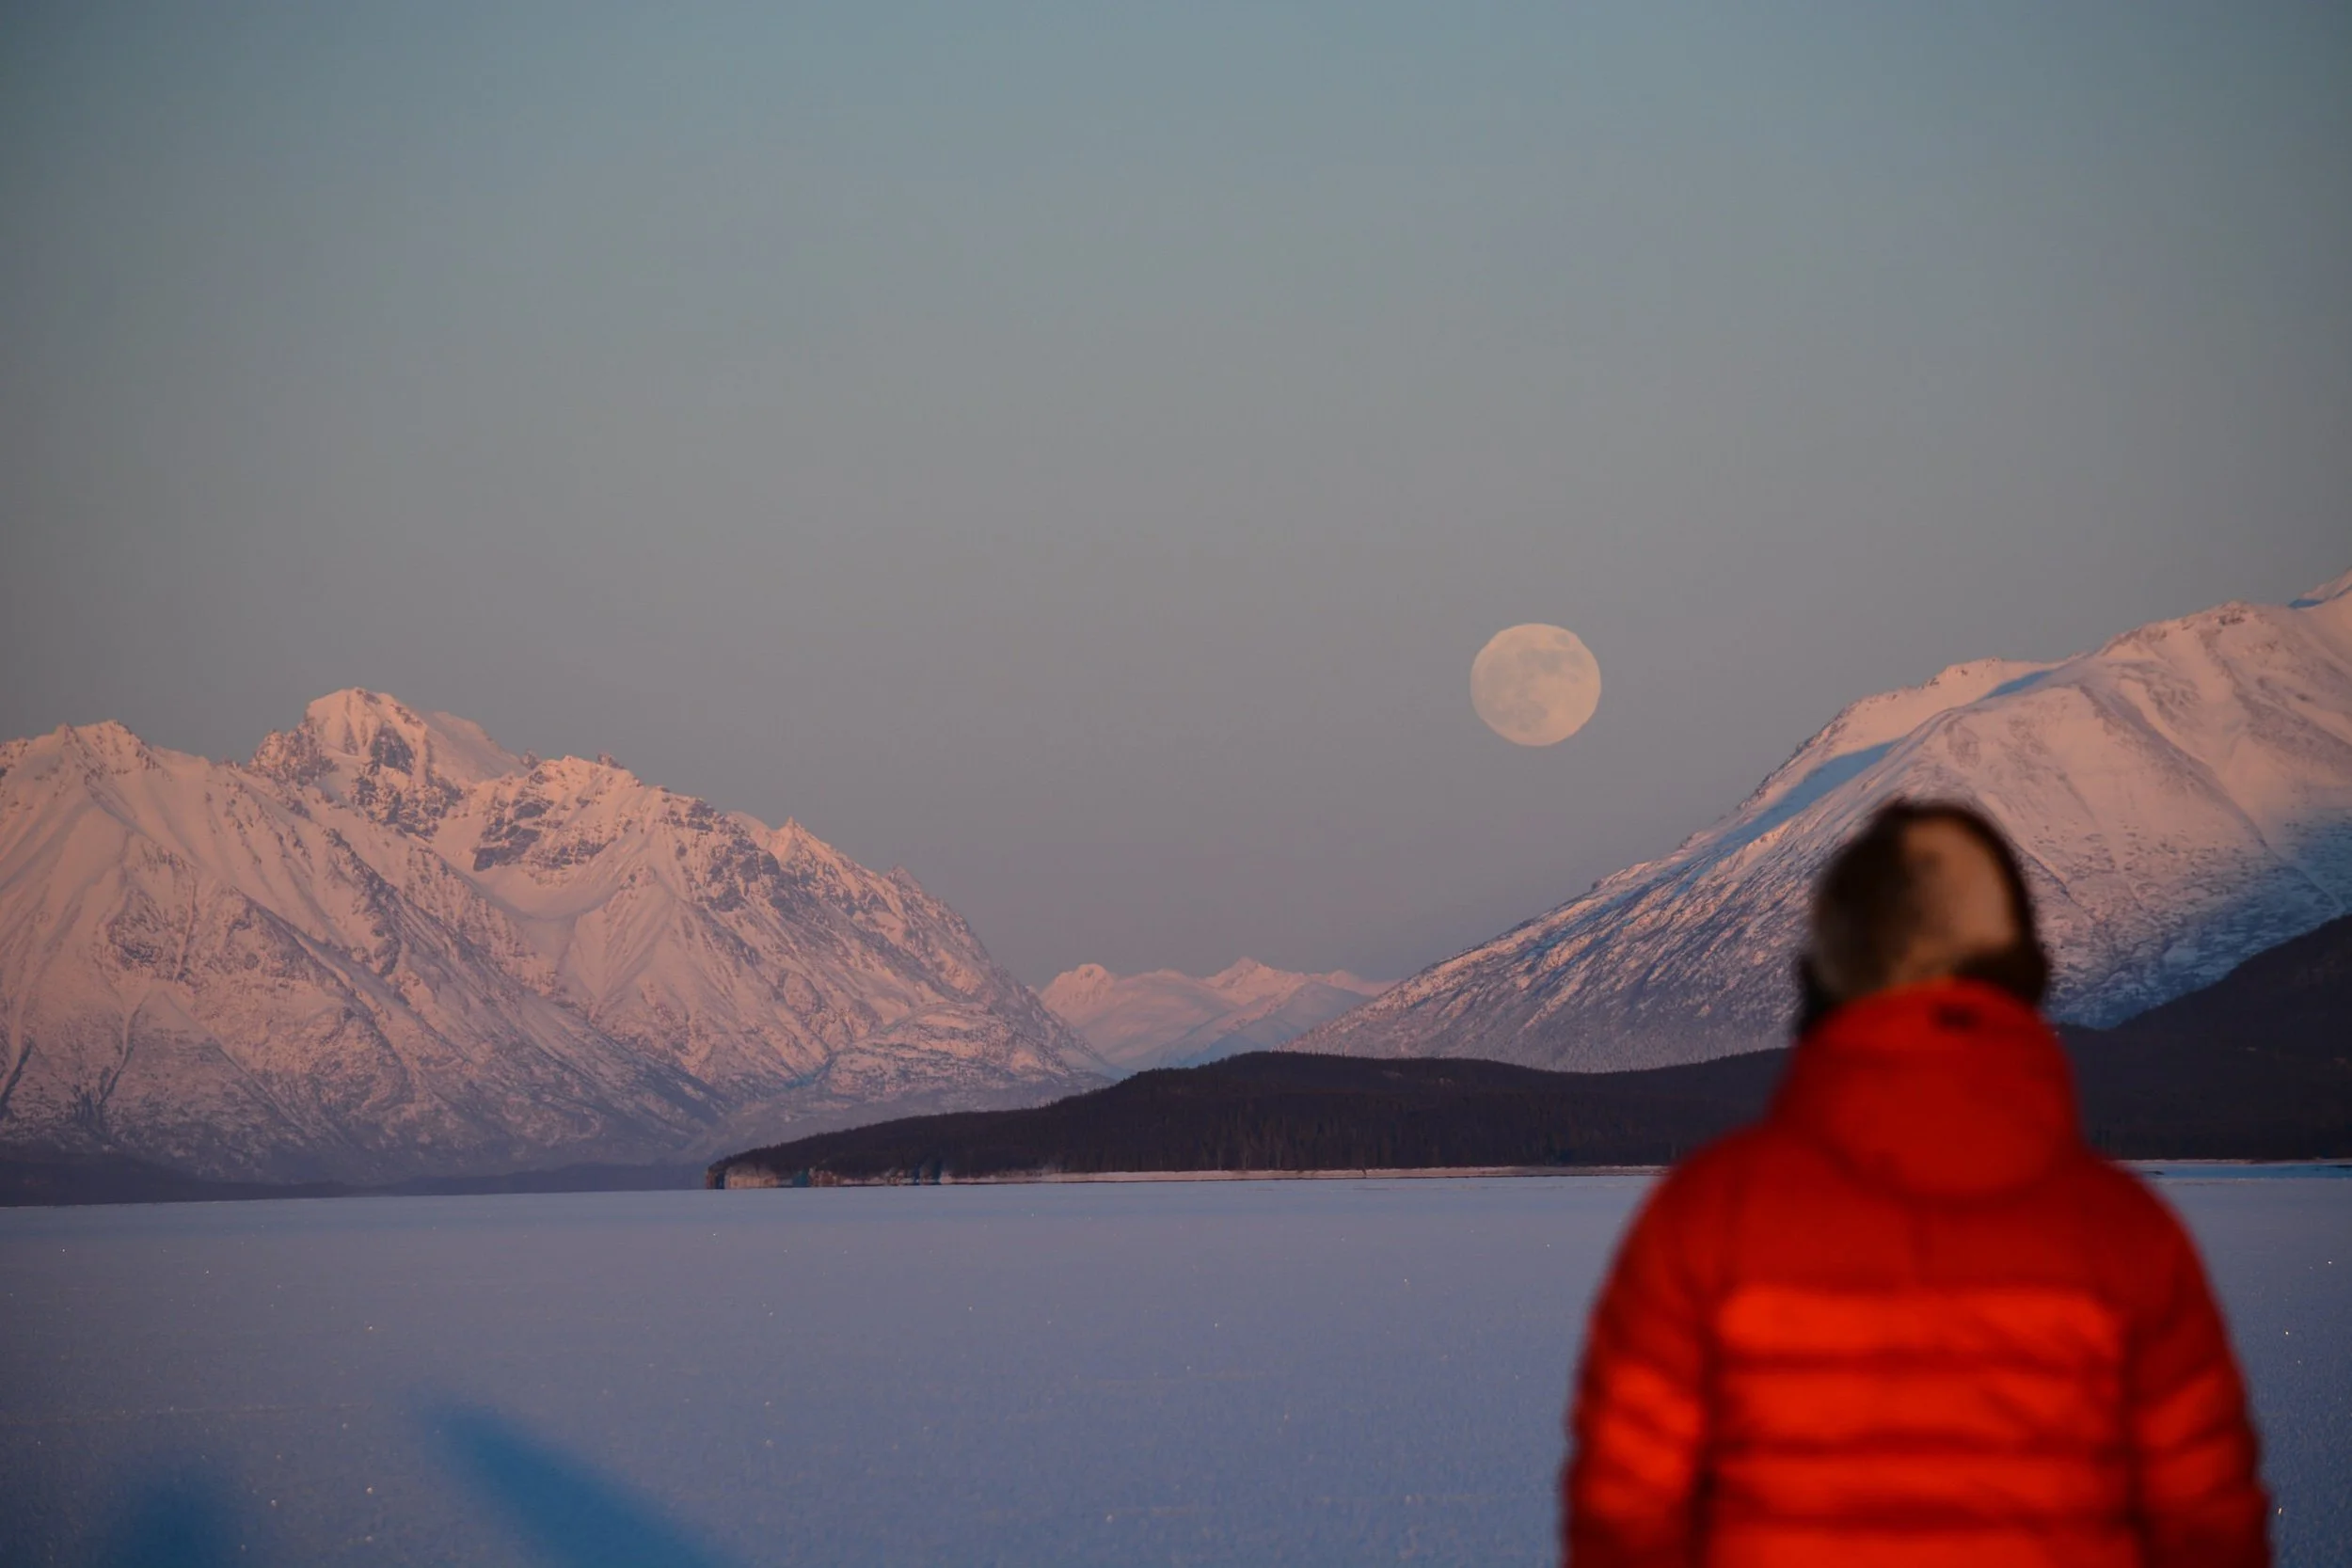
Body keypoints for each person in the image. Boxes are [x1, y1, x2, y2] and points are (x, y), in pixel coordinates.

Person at [1561, 800, 2269, 1567]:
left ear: (1821, 980)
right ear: (2026, 974)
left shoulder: (1708, 1216)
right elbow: (2210, 1528)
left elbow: (1623, 1517)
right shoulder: (2125, 1233)